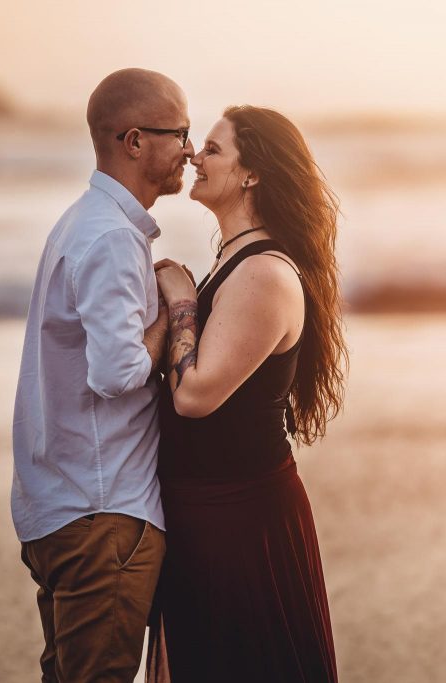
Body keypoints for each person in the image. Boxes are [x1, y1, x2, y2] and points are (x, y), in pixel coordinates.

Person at [148, 106, 347, 683]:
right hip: (208, 510)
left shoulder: (264, 274)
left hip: (238, 520)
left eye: (211, 148)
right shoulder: (236, 263)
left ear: (252, 173)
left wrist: (181, 299)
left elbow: (195, 396)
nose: (192, 156)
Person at [11, 68, 193, 682]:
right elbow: (118, 373)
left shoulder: (81, 222)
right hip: (103, 513)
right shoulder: (112, 237)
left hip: (63, 506)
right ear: (135, 141)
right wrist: (174, 309)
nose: (190, 150)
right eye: (181, 133)